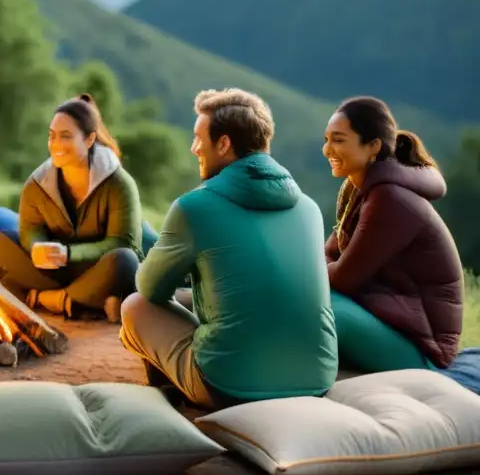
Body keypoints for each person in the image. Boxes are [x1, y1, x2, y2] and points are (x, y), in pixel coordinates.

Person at [119, 89, 338, 410]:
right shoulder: (309, 209)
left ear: (223, 144)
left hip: (228, 387)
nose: (194, 148)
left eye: (198, 138)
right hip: (317, 381)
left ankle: (173, 400)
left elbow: (149, 288)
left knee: (136, 307)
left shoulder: (194, 207)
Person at [322, 96, 463, 372]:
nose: (327, 149)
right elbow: (331, 254)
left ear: (373, 146)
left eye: (338, 140)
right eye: (326, 139)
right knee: (305, 294)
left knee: (319, 308)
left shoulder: (390, 199)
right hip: (389, 322)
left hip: (423, 350)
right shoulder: (357, 187)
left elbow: (343, 278)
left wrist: (296, 266)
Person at [0, 93, 141, 324]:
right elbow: (30, 230)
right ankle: (81, 301)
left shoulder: (119, 184)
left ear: (89, 140)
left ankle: (45, 299)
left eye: (66, 137)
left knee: (126, 261)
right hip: (51, 272)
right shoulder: (37, 184)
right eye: (52, 136)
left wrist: (69, 254)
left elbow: (123, 243)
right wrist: (36, 247)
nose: (56, 145)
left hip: (93, 268)